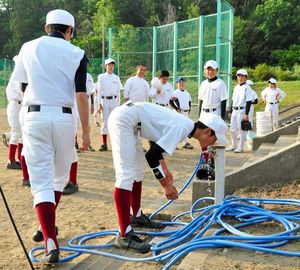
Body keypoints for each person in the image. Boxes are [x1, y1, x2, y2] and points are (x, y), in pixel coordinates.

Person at [12, 9, 90, 264]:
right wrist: (86, 132)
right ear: (69, 31)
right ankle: (47, 233)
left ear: (47, 28)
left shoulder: (28, 47)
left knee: (43, 181)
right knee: (59, 178)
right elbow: (81, 94)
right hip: (65, 117)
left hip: (34, 114)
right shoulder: (77, 52)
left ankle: (48, 238)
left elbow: (22, 86)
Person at [108, 101, 228, 253]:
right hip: (124, 119)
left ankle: (136, 216)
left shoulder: (185, 125)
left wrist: (164, 168)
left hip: (132, 121)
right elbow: (151, 155)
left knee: (137, 171)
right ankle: (124, 235)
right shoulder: (183, 127)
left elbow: (155, 143)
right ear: (208, 132)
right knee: (125, 175)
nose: (212, 144)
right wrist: (165, 184)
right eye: (214, 140)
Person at [198, 60, 228, 161]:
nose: (210, 72)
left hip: (214, 113)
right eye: (208, 69)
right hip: (203, 113)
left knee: (213, 138)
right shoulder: (203, 84)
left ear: (216, 70)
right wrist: (199, 116)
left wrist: (223, 119)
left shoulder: (220, 83)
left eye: (212, 69)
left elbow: (223, 101)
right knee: (202, 136)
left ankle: (212, 159)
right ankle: (205, 158)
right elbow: (200, 100)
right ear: (205, 71)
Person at [96, 58, 122, 151]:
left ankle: (116, 144)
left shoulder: (116, 77)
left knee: (115, 121)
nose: (111, 66)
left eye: (112, 65)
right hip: (105, 101)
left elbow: (118, 92)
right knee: (105, 121)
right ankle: (104, 144)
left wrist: (119, 104)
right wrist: (99, 103)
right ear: (105, 66)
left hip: (114, 101)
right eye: (109, 65)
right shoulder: (101, 76)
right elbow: (99, 91)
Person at [226, 69, 252, 153]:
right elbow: (233, 100)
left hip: (242, 110)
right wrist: (230, 110)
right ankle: (234, 145)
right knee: (232, 129)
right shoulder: (236, 87)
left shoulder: (247, 88)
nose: (240, 78)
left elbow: (248, 101)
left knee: (242, 129)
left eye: (242, 76)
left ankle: (241, 147)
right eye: (239, 76)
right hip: (234, 110)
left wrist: (246, 113)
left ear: (246, 77)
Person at [5, 55, 22, 170]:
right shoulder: (17, 75)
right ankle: (11, 161)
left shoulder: (18, 74)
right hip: (16, 104)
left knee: (21, 134)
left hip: (18, 105)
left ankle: (20, 159)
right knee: (16, 132)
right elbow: (21, 92)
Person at [170, 77, 193, 149]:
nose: (181, 83)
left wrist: (189, 109)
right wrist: (176, 108)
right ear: (177, 84)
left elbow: (189, 101)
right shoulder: (175, 92)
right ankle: (174, 144)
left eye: (182, 82)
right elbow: (170, 101)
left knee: (186, 128)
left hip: (186, 112)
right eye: (179, 82)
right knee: (177, 128)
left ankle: (186, 143)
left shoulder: (187, 92)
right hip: (178, 113)